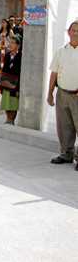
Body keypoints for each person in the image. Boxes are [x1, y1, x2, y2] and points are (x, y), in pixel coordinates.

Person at [47, 20, 78, 170]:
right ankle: (66, 154)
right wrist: (50, 93)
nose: (75, 33)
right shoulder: (61, 51)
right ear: (68, 32)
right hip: (62, 94)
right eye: (73, 30)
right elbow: (54, 73)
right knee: (64, 127)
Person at [0, 36, 22, 124]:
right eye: (10, 42)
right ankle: (8, 119)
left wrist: (19, 88)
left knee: (13, 103)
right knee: (6, 102)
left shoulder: (21, 56)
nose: (10, 44)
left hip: (15, 84)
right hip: (6, 82)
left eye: (13, 43)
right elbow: (4, 69)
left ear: (18, 45)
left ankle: (11, 120)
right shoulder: (7, 55)